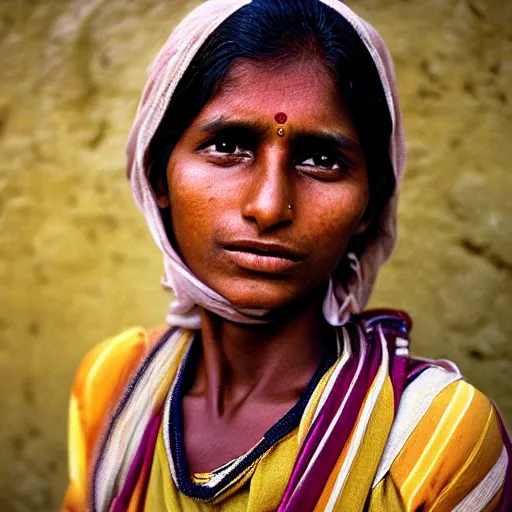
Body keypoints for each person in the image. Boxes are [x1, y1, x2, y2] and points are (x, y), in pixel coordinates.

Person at [63, 0, 512, 510]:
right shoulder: (114, 386)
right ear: (157, 171)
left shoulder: (436, 439)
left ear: (369, 205)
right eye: (228, 145)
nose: (269, 206)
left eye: (321, 159)